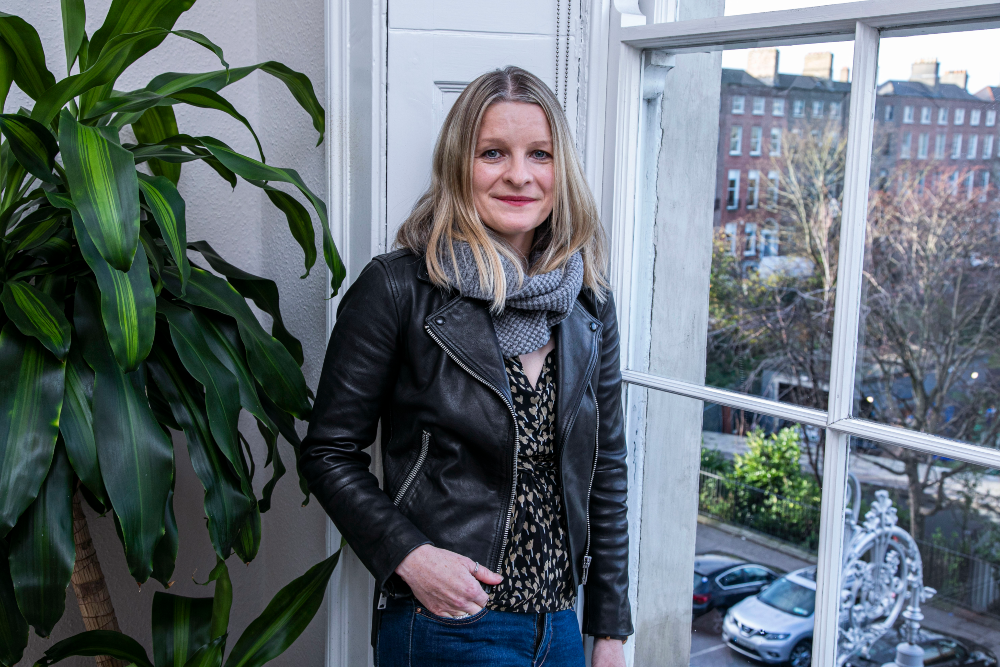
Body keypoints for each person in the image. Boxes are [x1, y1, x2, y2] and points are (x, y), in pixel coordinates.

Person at [300, 65, 631, 667]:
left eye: (540, 154)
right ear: (460, 165)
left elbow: (605, 469)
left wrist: (609, 631)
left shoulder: (589, 301)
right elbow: (327, 451)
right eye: (492, 153)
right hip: (446, 622)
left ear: (563, 171)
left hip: (558, 626)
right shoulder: (398, 288)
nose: (519, 175)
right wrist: (411, 556)